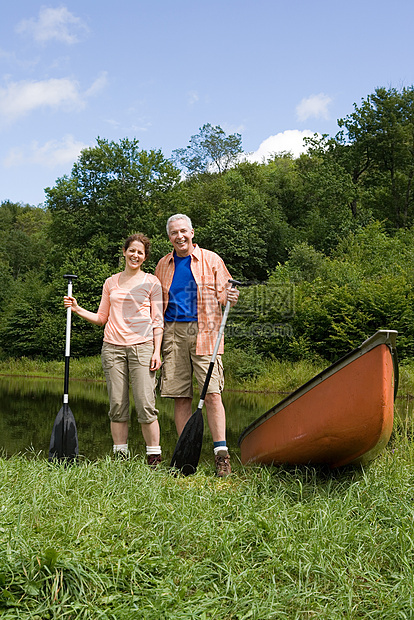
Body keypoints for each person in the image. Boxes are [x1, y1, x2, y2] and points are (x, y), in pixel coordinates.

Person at [64, 234, 164, 466]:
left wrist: (157, 351)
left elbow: (158, 321)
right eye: (132, 251)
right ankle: (120, 457)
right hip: (112, 349)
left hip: (142, 348)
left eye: (140, 252)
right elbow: (101, 318)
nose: (135, 255)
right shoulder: (110, 282)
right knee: (117, 406)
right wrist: (77, 309)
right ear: (124, 252)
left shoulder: (152, 282)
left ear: (145, 257)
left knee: (145, 405)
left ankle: (154, 458)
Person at [155, 214, 239, 476]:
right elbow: (156, 302)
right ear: (169, 237)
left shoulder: (212, 260)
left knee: (212, 394)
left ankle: (221, 456)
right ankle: (185, 456)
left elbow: (225, 294)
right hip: (173, 334)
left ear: (192, 232)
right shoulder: (163, 264)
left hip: (206, 333)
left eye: (183, 231)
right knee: (181, 396)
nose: (179, 236)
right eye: (173, 233)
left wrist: (231, 296)